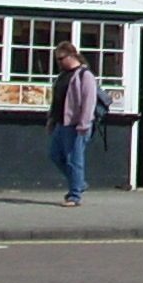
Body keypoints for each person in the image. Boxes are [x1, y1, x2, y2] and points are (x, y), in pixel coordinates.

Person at [48, 42, 99, 206]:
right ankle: (79, 182)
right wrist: (51, 119)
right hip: (61, 123)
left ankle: (75, 195)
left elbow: (89, 101)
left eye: (61, 58)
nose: (59, 62)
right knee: (55, 155)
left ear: (72, 56)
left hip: (76, 124)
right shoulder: (62, 76)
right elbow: (56, 100)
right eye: (57, 59)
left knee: (74, 159)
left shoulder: (85, 75)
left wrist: (84, 124)